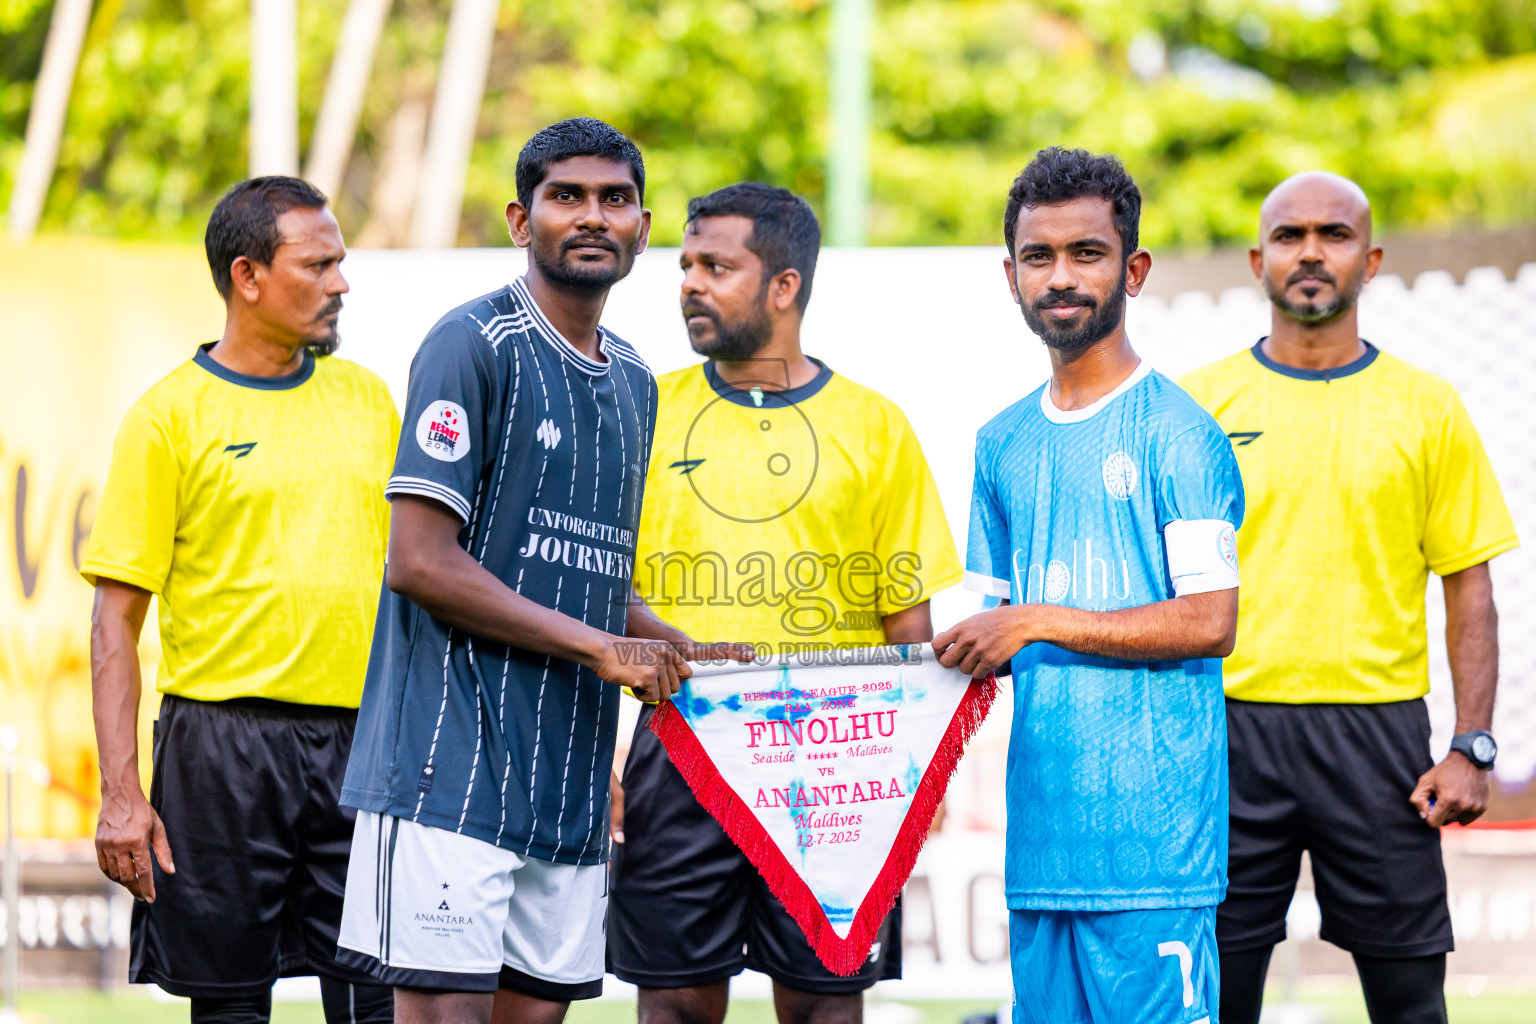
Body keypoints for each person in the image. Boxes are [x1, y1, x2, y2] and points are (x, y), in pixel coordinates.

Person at [334, 118, 743, 1024]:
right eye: (567, 197)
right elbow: (419, 562)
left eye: (615, 199)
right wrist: (602, 647)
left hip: (566, 781)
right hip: (448, 772)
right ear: (523, 222)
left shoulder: (637, 380)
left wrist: (666, 642)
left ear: (643, 228)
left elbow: (583, 571)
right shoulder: (471, 344)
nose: (592, 216)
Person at [608, 183, 963, 1024]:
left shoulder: (875, 426)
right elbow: (597, 591)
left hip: (836, 762)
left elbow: (906, 622)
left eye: (716, 266)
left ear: (784, 285)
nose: (690, 282)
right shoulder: (642, 410)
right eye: (686, 264)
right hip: (680, 747)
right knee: (676, 1008)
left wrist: (914, 767)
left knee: (825, 1009)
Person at [1179, 171, 1519, 1024]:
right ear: (1258, 259)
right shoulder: (1195, 406)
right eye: (1290, 236)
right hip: (1226, 731)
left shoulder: (1427, 407)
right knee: (1213, 1003)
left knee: (1410, 1003)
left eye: (1333, 235)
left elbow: (1469, 586)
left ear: (1369, 260)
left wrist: (1471, 745)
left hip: (1380, 740)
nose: (1310, 252)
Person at [933, 148, 1244, 1024]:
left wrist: (1032, 623)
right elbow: (988, 636)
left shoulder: (1182, 432)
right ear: (1011, 275)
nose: (1061, 277)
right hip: (1041, 849)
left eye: (1087, 253)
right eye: (1039, 257)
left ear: (1132, 270)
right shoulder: (1000, 444)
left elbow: (1210, 621)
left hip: (1155, 853)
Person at [83, 176, 400, 1024]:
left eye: (341, 262)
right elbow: (115, 619)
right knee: (229, 1009)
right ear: (247, 276)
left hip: (364, 745)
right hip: (218, 750)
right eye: (319, 263)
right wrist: (123, 794)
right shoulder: (167, 418)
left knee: (381, 1002)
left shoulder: (370, 400)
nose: (341, 283)